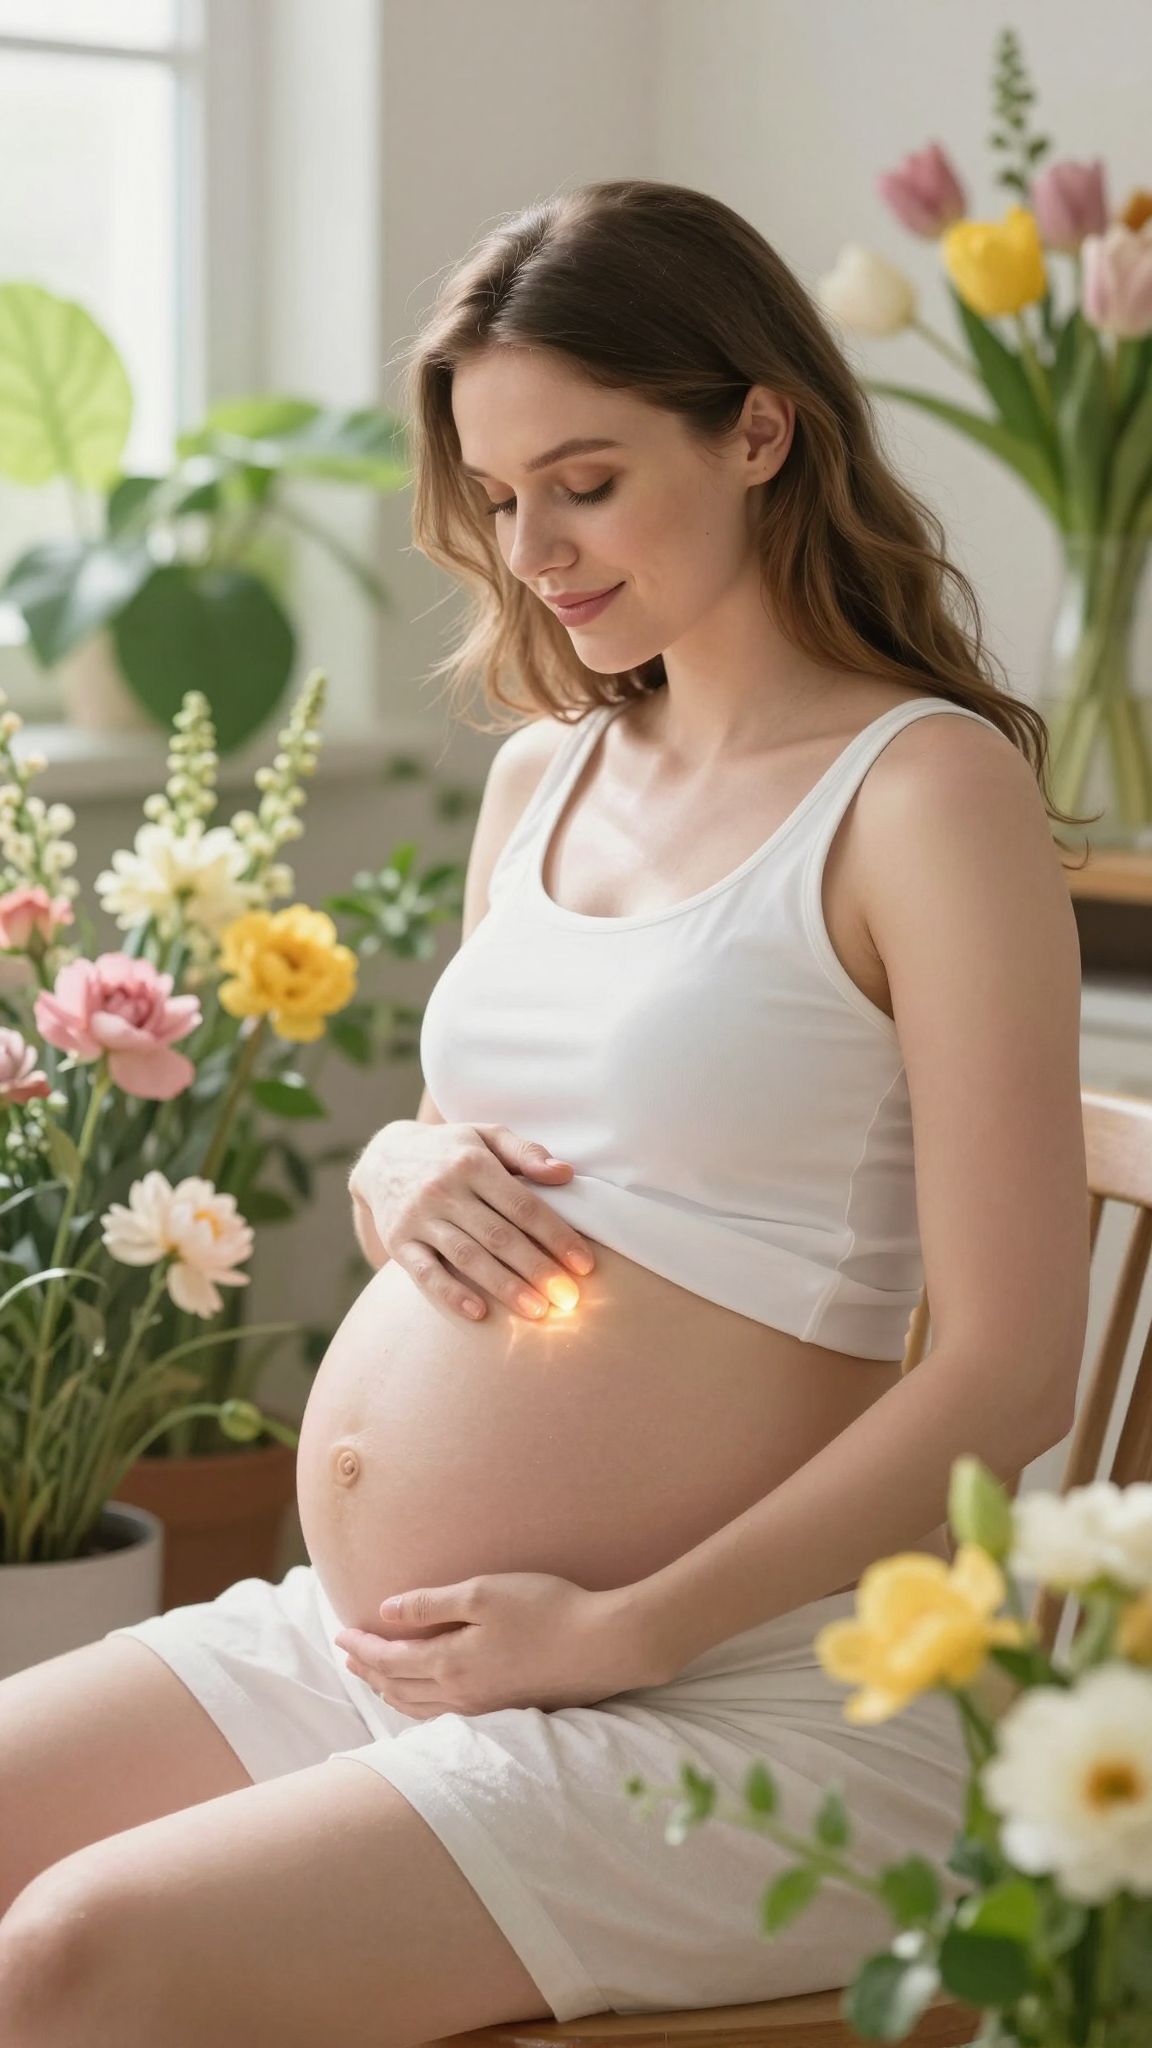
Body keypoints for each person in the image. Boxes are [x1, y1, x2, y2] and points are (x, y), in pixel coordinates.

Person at [0, 179, 1092, 2047]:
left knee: (72, 1960)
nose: (536, 552)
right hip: (391, 1645)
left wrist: (625, 1629)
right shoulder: (544, 778)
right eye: (502, 499)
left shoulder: (924, 796)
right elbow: (467, 1156)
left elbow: (1014, 1369)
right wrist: (398, 1167)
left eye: (585, 483)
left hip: (746, 1692)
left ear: (760, 431)